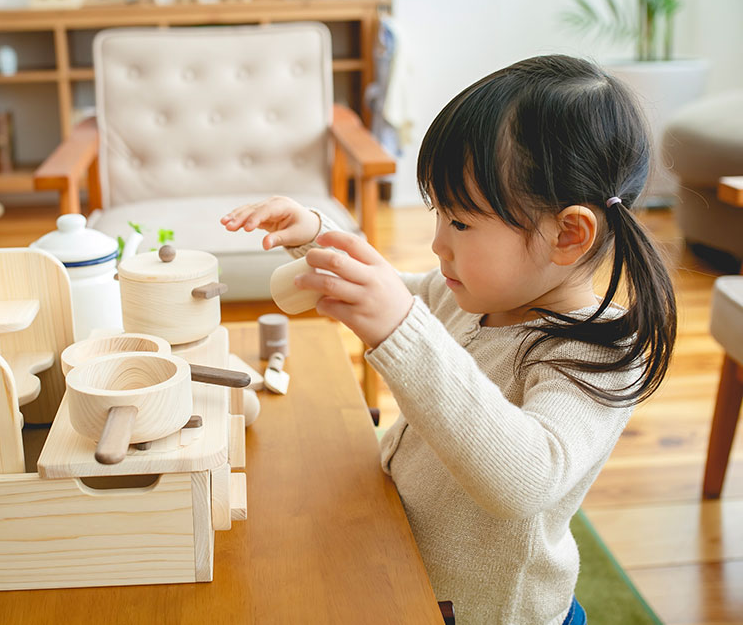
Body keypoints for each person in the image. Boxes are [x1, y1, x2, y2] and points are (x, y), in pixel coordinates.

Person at [220, 55, 676, 625]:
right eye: (438, 213)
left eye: (460, 222)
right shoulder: (476, 296)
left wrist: (399, 327)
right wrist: (318, 237)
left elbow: (527, 479)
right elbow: (397, 293)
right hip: (409, 563)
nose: (438, 243)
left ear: (567, 234)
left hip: (485, 612)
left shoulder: (597, 355)